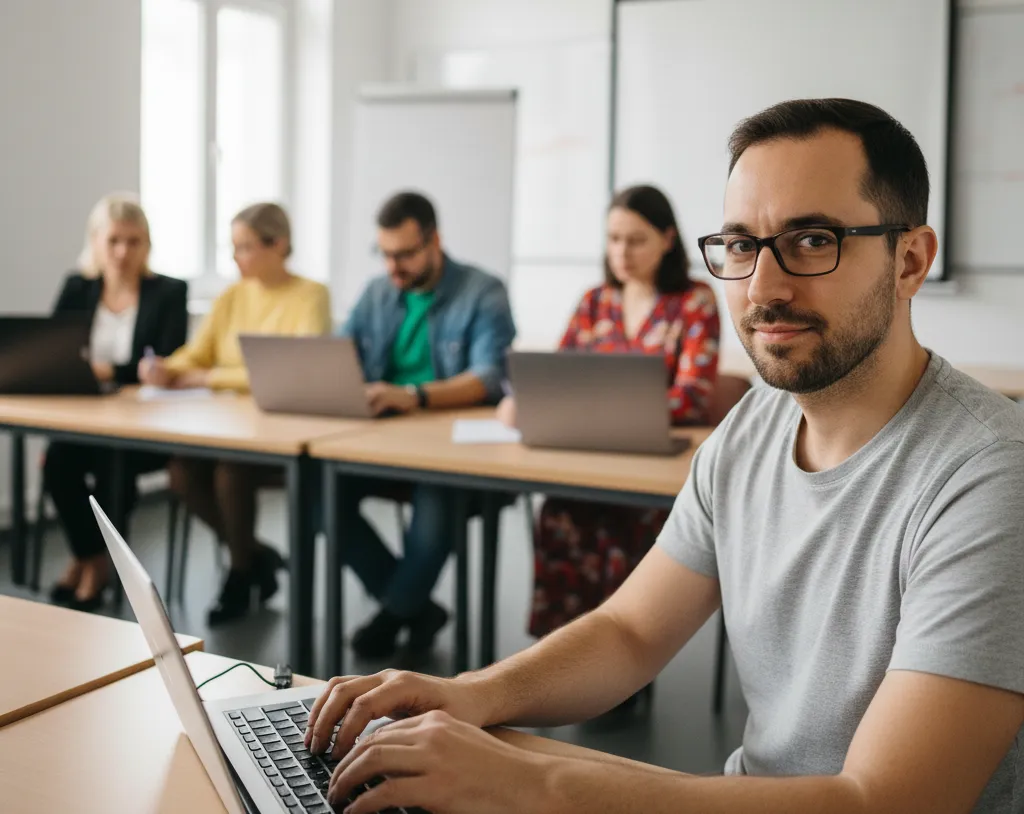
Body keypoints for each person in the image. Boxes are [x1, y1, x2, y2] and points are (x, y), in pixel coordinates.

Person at [303, 99, 1024, 814]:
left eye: (812, 240)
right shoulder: (752, 427)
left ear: (910, 260)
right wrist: (473, 693)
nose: (764, 289)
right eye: (741, 245)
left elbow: (886, 803)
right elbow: (631, 631)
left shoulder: (990, 477)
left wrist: (525, 783)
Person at [497, 185, 720, 642]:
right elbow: (557, 382)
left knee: (625, 523)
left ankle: (620, 658)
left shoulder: (694, 302)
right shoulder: (594, 301)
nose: (622, 252)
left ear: (667, 238)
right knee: (558, 512)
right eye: (614, 239)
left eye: (636, 240)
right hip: (588, 462)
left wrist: (594, 408)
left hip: (651, 470)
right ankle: (560, 651)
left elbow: (691, 397)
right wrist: (527, 402)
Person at [337, 191, 516, 661]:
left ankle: (395, 611)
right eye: (385, 254)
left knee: (437, 499)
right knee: (319, 491)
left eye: (405, 254)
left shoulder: (482, 291)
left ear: (434, 241)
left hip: (449, 447)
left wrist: (413, 395)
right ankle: (414, 607)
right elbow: (339, 356)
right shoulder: (377, 293)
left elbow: (489, 377)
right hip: (377, 440)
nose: (393, 267)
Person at [139, 202, 331, 626]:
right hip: (224, 422)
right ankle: (256, 555)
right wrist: (168, 367)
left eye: (244, 247)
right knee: (181, 473)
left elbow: (294, 368)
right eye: (233, 247)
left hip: (279, 427)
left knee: (230, 471)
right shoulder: (231, 296)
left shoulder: (310, 295)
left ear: (278, 244)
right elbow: (199, 353)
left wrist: (210, 378)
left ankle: (242, 572)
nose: (235, 258)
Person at [45, 193, 188, 612]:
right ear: (96, 242)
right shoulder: (78, 286)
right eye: (114, 241)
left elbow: (166, 356)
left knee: (114, 463)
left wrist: (106, 370)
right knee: (57, 463)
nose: (123, 251)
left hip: (143, 426)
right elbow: (56, 351)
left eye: (134, 241)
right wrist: (111, 369)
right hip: (85, 420)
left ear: (147, 245)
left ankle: (94, 567)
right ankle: (90, 557)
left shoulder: (168, 292)